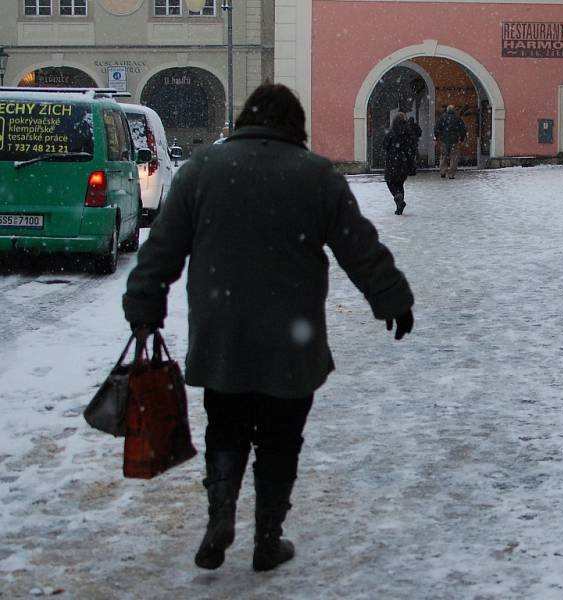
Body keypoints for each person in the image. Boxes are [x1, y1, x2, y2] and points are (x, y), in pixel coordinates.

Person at [122, 83, 415, 574]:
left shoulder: (202, 172)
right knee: (280, 439)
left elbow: (161, 251)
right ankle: (267, 538)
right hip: (290, 337)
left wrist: (144, 306)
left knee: (226, 427)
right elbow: (359, 248)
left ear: (246, 120)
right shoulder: (316, 177)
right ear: (295, 125)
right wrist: (392, 299)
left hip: (223, 332)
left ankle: (220, 518)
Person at [382, 113, 413, 215]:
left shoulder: (391, 132)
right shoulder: (408, 132)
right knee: (400, 183)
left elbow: (385, 145)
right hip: (404, 160)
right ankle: (399, 205)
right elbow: (411, 147)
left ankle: (398, 198)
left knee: (390, 181)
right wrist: (410, 162)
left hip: (392, 160)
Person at [433, 105, 466, 179]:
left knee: (443, 156)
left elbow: (436, 128)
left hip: (444, 140)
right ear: (454, 110)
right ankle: (451, 174)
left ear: (447, 110)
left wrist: (436, 137)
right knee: (454, 157)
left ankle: (443, 171)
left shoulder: (442, 117)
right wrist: (461, 139)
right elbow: (463, 129)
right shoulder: (458, 118)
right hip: (455, 140)